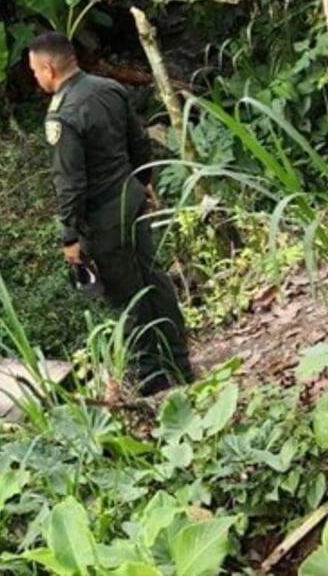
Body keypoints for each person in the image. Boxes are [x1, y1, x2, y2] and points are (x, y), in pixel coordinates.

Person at [28, 31, 194, 394]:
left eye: (35, 72)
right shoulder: (109, 88)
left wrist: (69, 236)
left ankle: (151, 378)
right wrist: (144, 180)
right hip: (131, 201)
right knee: (155, 280)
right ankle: (180, 363)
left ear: (49, 68)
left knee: (126, 296)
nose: (36, 79)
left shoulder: (63, 116)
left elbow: (70, 183)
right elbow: (138, 139)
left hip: (103, 220)